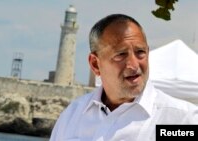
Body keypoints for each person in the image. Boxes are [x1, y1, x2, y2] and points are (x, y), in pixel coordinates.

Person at [49, 14, 198, 141]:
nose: (134, 65)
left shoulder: (183, 120)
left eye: (140, 52)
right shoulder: (72, 115)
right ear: (95, 64)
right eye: (121, 54)